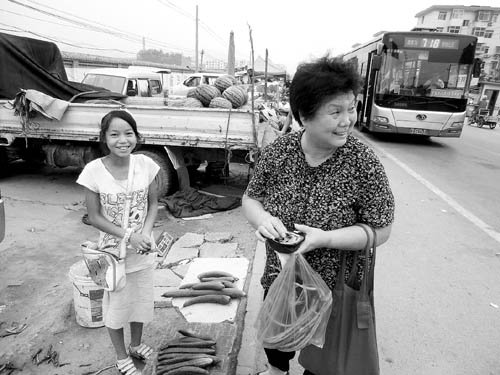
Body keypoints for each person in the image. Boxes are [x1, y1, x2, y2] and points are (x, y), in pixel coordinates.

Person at [242, 55, 395, 375]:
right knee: (279, 336)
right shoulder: (278, 152)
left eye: (351, 108)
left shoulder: (363, 162)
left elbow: (381, 229)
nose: (348, 120)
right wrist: (263, 220)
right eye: (335, 111)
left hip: (333, 285)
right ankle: (276, 370)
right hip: (280, 273)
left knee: (323, 360)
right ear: (303, 116)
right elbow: (251, 199)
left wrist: (325, 238)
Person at [77, 110, 159, 375]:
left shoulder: (146, 165)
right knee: (115, 305)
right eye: (114, 134)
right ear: (104, 138)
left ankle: (136, 345)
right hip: (110, 255)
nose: (122, 140)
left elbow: (154, 204)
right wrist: (128, 236)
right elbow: (94, 217)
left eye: (128, 133)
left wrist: (144, 233)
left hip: (142, 249)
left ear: (136, 136)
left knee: (140, 300)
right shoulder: (93, 171)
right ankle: (121, 355)